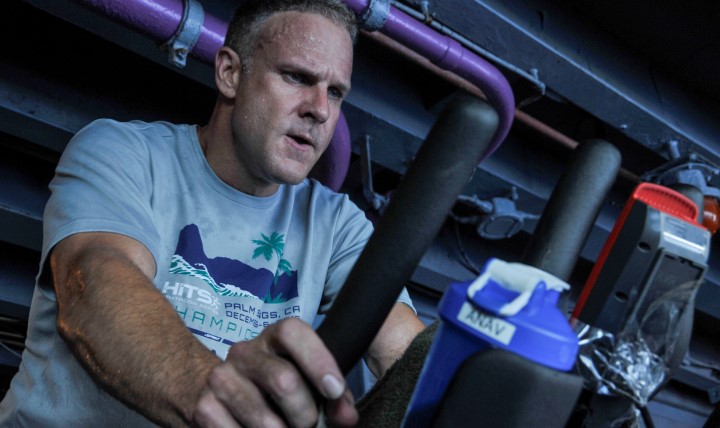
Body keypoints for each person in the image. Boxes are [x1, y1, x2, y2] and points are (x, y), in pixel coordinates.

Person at [0, 0, 425, 426]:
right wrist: (219, 397)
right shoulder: (123, 153)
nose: (321, 109)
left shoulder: (337, 225)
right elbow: (96, 281)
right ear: (230, 73)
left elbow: (406, 353)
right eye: (297, 77)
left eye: (335, 92)